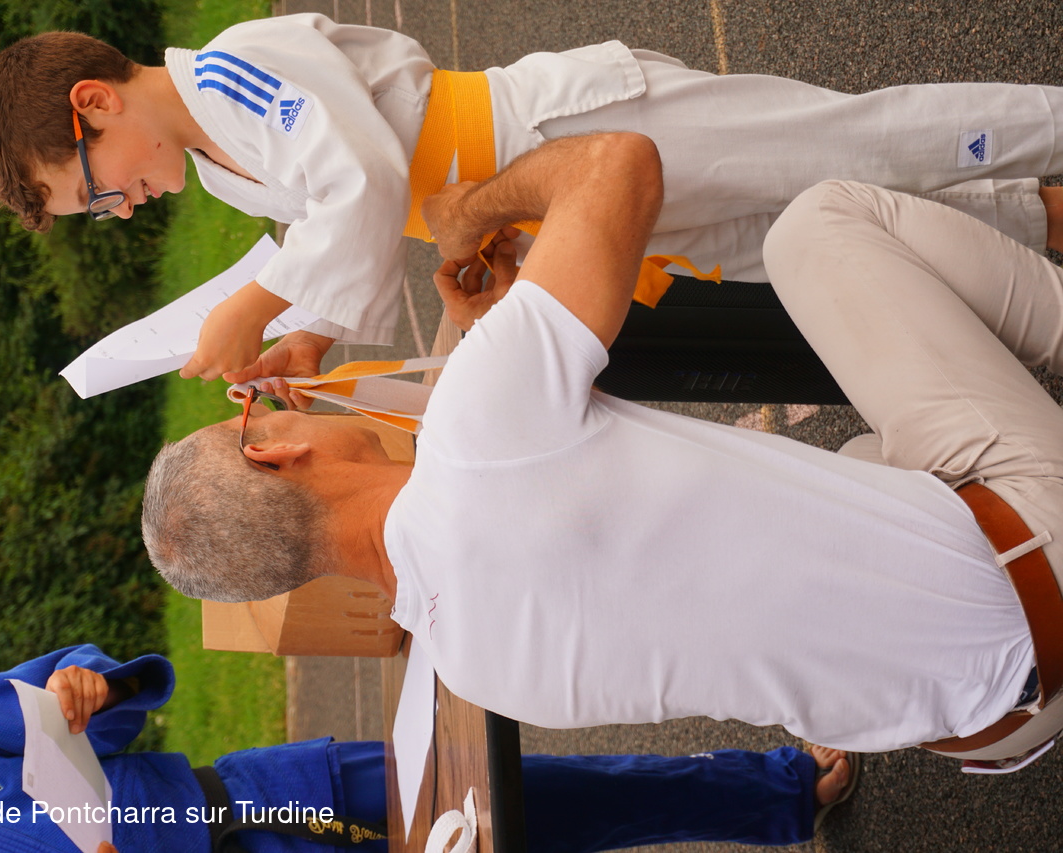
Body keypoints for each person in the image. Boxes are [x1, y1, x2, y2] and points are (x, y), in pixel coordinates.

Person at [142, 130, 1063, 764]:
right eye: (251, 414)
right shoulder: (478, 429)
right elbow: (619, 164)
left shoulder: (470, 665)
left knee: (860, 460)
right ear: (272, 454)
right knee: (818, 226)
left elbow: (528, 506)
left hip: (986, 729)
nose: (267, 407)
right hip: (1039, 569)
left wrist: (491, 335)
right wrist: (471, 211)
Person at [0, 13, 1063, 388]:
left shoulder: (232, 69)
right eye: (98, 211)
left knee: (864, 143)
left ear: (95, 102)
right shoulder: (216, 163)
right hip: (552, 212)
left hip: (559, 133)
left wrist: (254, 306)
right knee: (805, 232)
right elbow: (331, 224)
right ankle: (1037, 222)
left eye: (94, 189)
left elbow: (361, 177)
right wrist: (306, 335)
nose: (121, 207)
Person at [0, 645, 856, 853]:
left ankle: (769, 791)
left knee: (527, 795)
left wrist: (87, 682)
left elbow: (67, 699)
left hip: (252, 801)